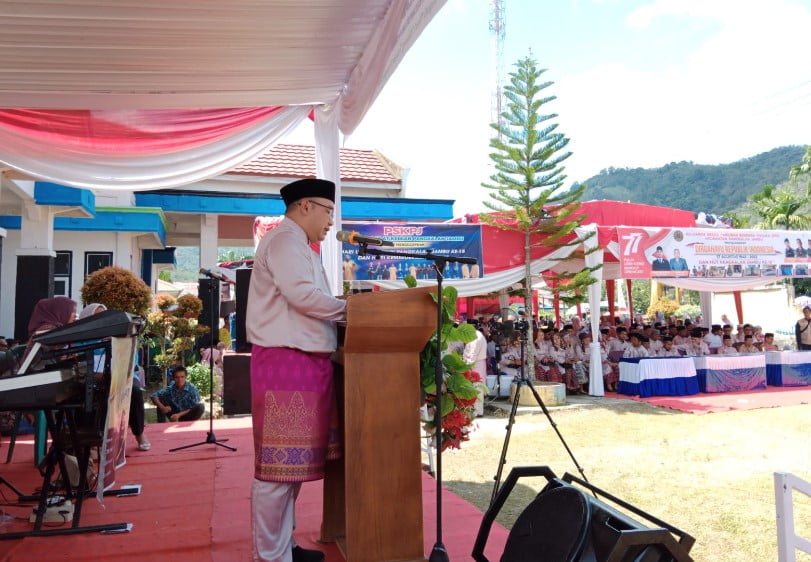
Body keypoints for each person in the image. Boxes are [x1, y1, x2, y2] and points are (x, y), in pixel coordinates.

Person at [246, 178, 346, 562]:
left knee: (291, 466)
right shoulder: (285, 241)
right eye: (327, 211)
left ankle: (282, 546)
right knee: (277, 469)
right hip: (286, 362)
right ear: (305, 206)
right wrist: (353, 311)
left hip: (304, 362)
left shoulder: (299, 244)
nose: (330, 221)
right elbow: (303, 296)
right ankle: (271, 556)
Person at [79, 303, 150, 451]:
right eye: (97, 316)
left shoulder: (119, 334)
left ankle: (139, 434)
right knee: (101, 395)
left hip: (123, 376)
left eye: (103, 315)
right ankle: (99, 440)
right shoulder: (82, 339)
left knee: (134, 392)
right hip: (95, 378)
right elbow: (79, 364)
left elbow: (132, 359)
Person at [462, 320, 487, 417]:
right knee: (477, 387)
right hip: (478, 363)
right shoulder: (478, 334)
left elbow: (472, 354)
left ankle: (477, 411)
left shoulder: (475, 336)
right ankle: (477, 410)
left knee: (476, 387)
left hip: (475, 364)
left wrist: (465, 367)